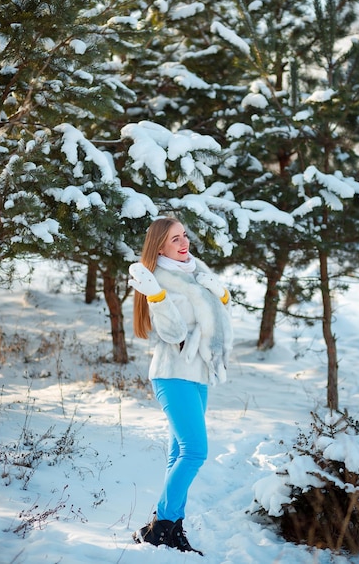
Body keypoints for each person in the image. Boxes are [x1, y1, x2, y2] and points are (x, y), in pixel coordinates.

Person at [128, 216, 233, 556]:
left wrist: (223, 298)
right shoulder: (157, 278)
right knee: (194, 451)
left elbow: (213, 321)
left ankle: (169, 527)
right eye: (175, 239)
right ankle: (163, 525)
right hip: (172, 373)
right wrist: (157, 297)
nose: (183, 242)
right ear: (160, 246)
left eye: (184, 235)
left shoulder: (195, 271)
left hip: (198, 373)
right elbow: (172, 334)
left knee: (179, 453)